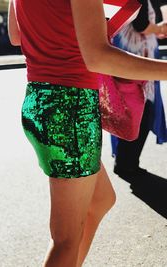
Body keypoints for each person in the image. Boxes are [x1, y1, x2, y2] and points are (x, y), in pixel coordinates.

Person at [8, 1, 167, 266]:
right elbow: (98, 57)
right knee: (65, 241)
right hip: (70, 109)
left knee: (102, 200)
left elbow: (16, 36)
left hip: (39, 99)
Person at [111, 0, 167, 178]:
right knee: (141, 114)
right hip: (137, 66)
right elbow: (141, 25)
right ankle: (126, 164)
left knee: (134, 113)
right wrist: (160, 29)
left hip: (134, 63)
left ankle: (126, 162)